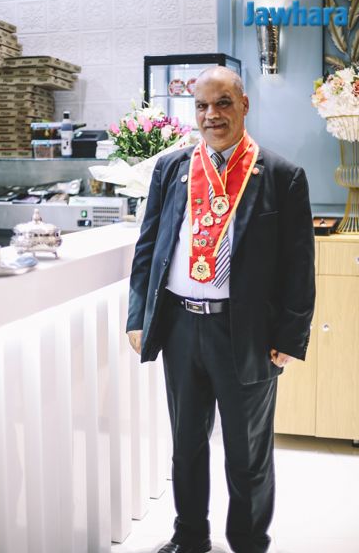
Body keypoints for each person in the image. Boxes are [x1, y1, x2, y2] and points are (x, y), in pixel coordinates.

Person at [126, 66, 315, 553]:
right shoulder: (172, 169)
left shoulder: (282, 176)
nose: (212, 115)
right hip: (180, 325)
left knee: (247, 452)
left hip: (247, 333)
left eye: (223, 103)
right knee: (186, 445)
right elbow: (149, 246)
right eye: (202, 106)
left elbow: (299, 266)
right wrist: (138, 315)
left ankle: (248, 542)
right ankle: (190, 537)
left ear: (244, 105)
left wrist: (290, 337)